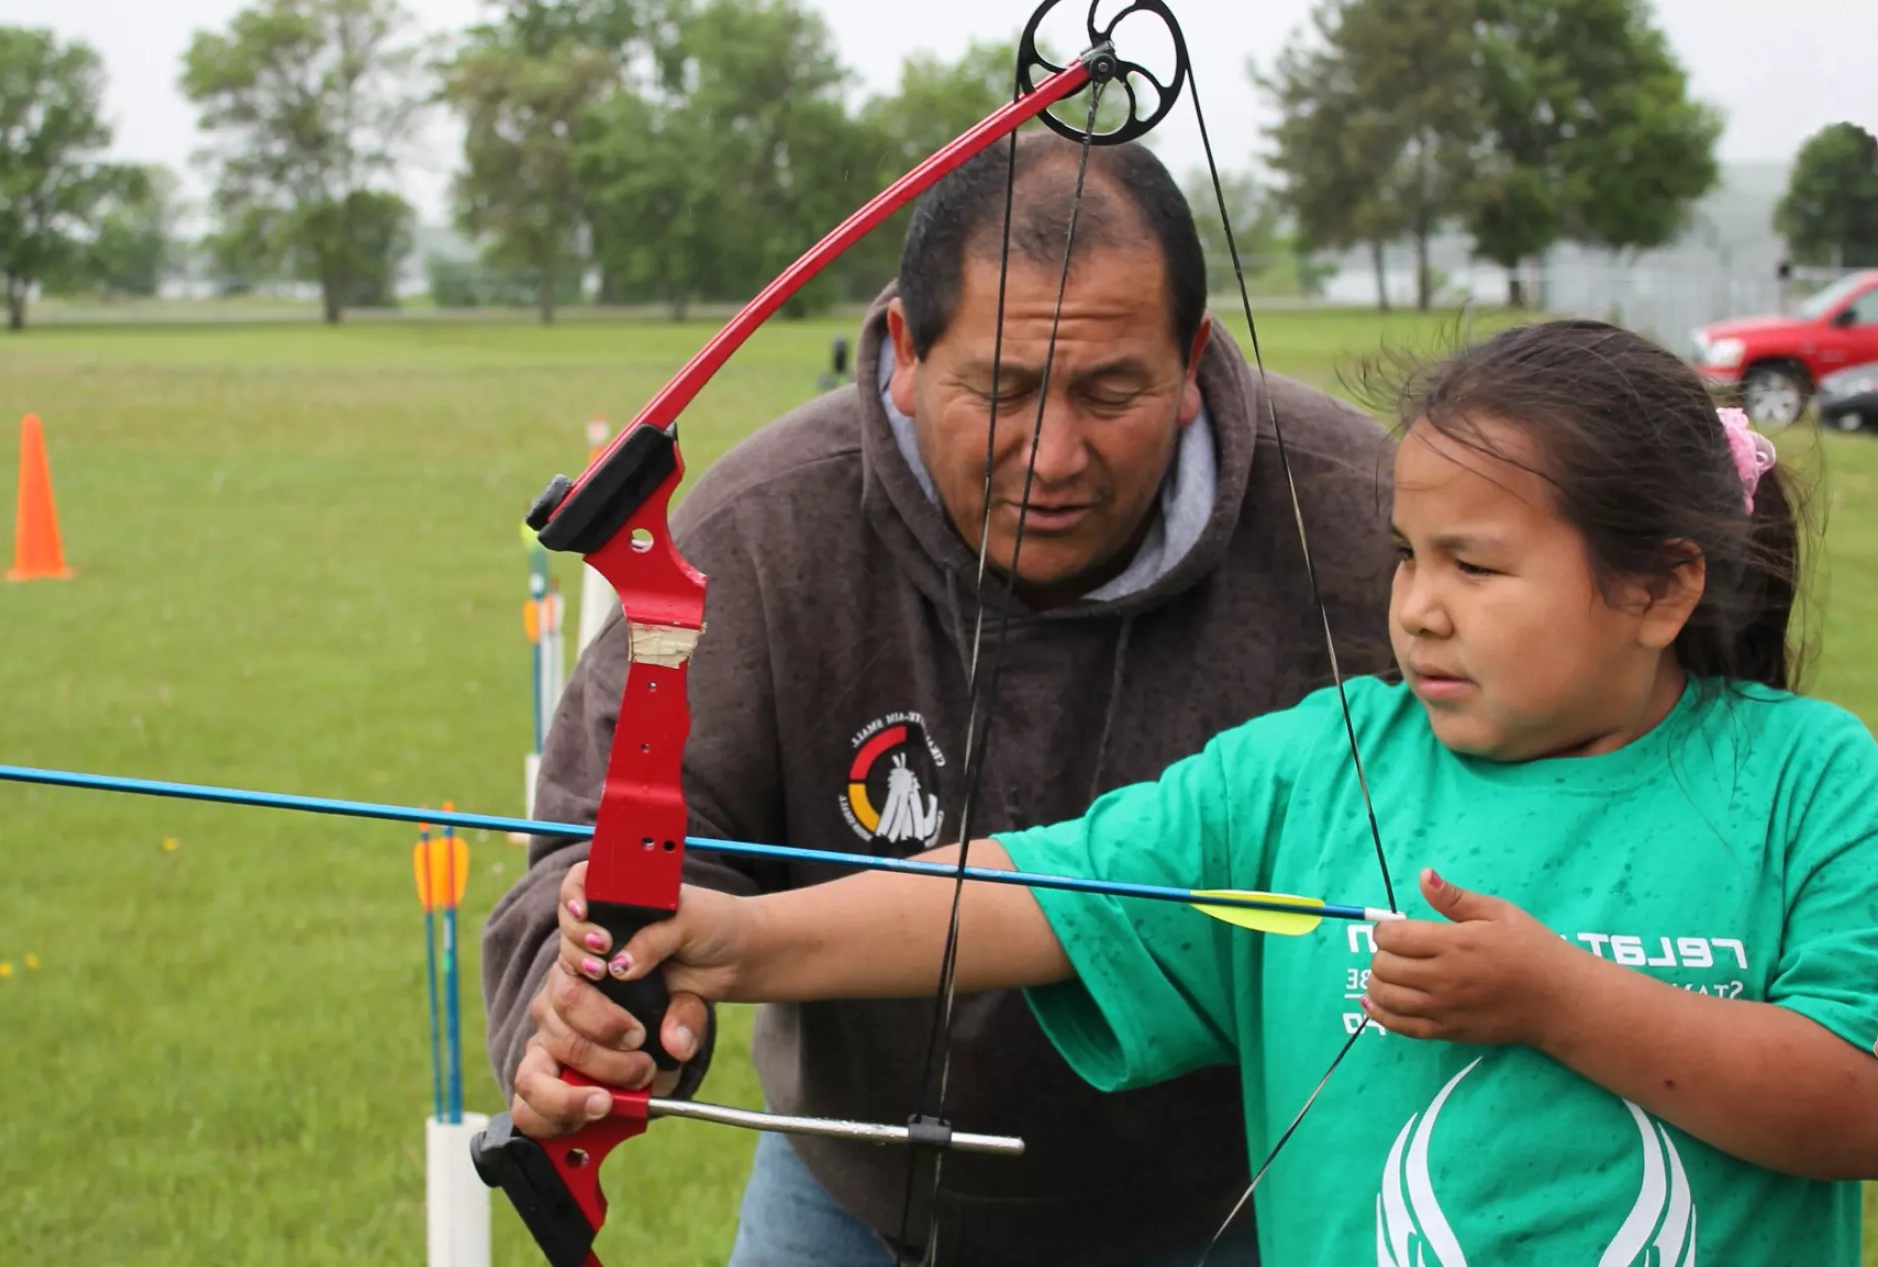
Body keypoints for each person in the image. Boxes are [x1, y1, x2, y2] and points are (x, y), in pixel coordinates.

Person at [538, 320, 1878, 1263]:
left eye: (1476, 568)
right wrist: (739, 935)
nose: (1417, 608)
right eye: (1407, 557)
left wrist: (1557, 1000)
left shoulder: (1808, 777)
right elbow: (1041, 891)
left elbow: (1856, 1103)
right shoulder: (1320, 759)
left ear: (1659, 588)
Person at [481, 134, 1395, 1266]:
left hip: (1245, 1186)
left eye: (1112, 390)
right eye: (1001, 390)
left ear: (1195, 359)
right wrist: (588, 1021)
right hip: (858, 1190)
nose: (1054, 456)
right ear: (906, 353)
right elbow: (598, 858)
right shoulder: (762, 530)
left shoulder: (1373, 522)